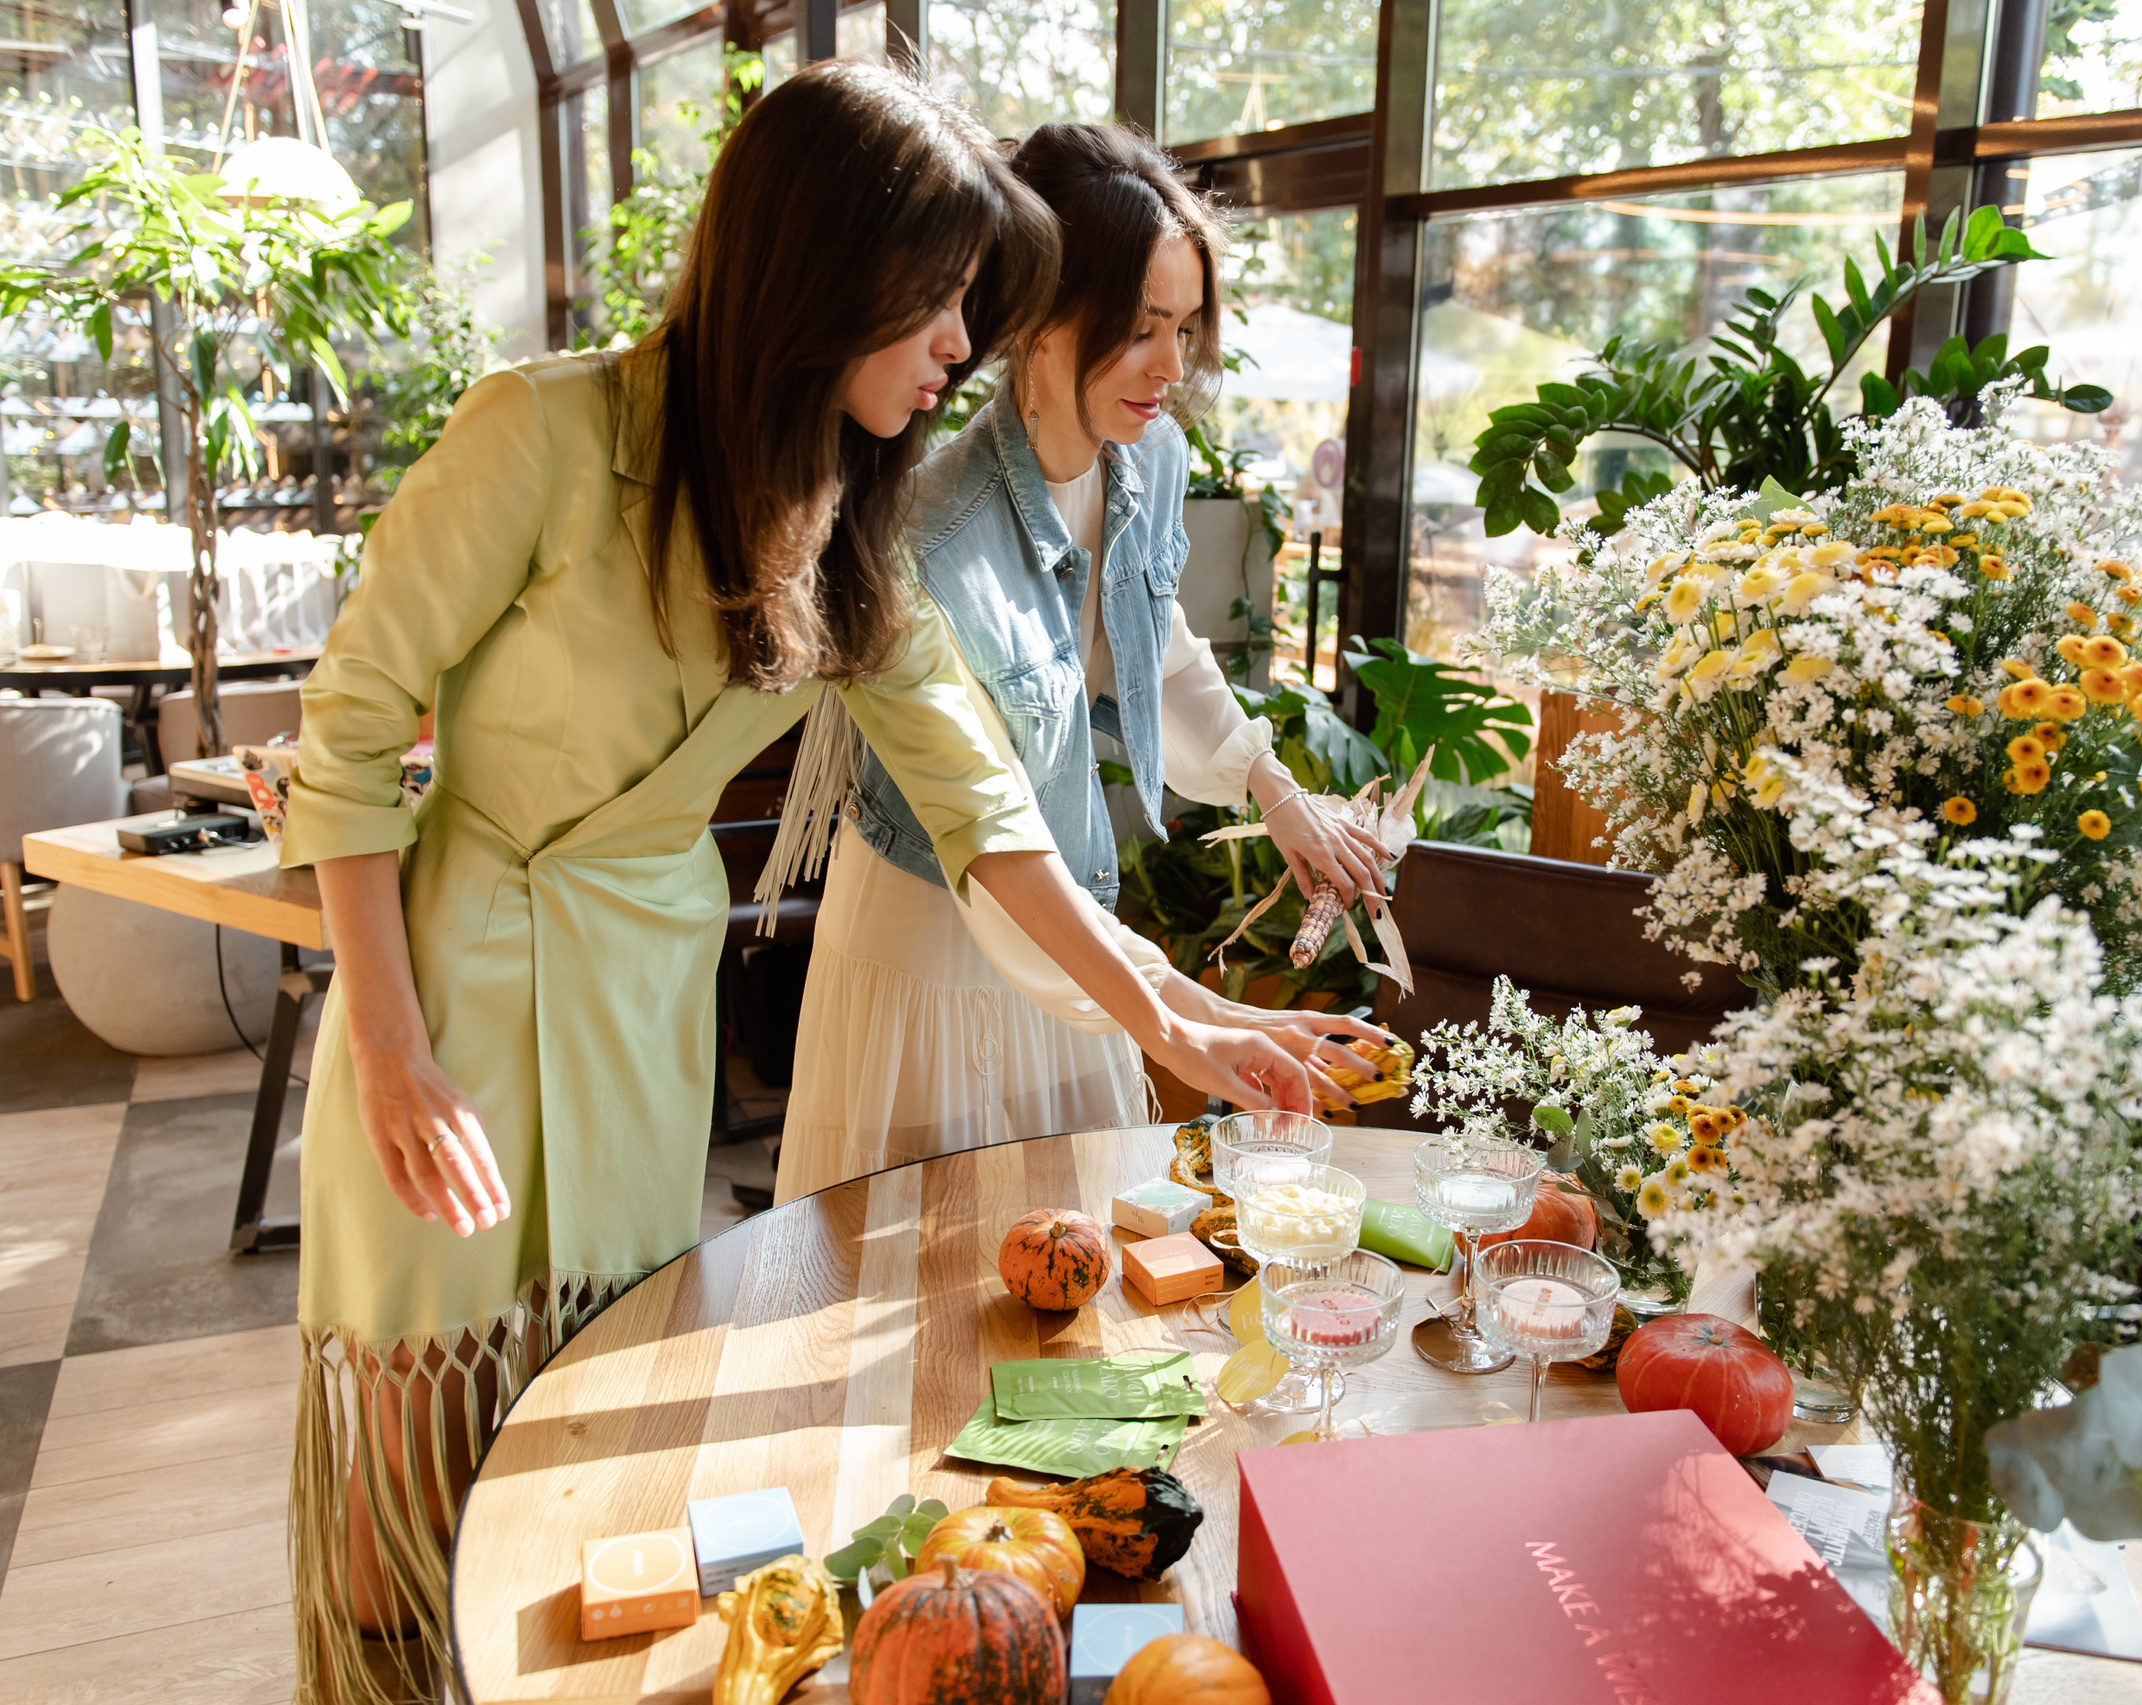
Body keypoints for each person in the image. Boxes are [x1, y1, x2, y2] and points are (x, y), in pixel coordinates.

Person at [279, 70, 1312, 1705]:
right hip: (452, 996)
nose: (962, 346)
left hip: (641, 1011)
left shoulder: (847, 516)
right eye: (938, 303)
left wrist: (1181, 1014)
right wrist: (391, 1049)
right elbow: (342, 741)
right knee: (405, 1476)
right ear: (819, 272)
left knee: (576, 1449)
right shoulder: (537, 438)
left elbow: (993, 819)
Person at [773, 122, 1390, 1202]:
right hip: (938, 942)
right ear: (1043, 322)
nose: (1173, 364)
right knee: (931, 1287)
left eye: (1186, 326)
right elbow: (984, 827)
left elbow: (1157, 647)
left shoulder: (1149, 459)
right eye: (1142, 326)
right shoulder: (931, 536)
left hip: (1078, 928)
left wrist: (1276, 792)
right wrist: (1204, 1014)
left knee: (1076, 1265)